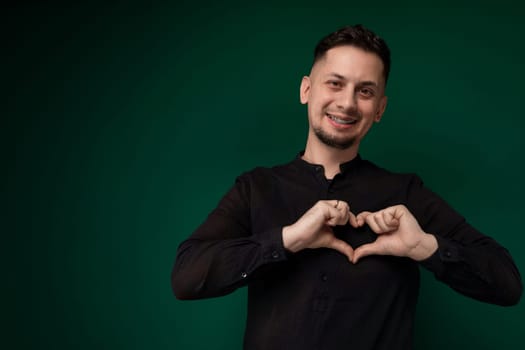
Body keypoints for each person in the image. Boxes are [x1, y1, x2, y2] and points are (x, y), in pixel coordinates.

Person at [171, 24, 522, 349]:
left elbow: (507, 284)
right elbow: (186, 278)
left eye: (365, 91)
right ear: (306, 89)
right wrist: (290, 238)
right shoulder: (256, 188)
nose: (347, 103)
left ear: (380, 109)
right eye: (335, 83)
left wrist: (423, 246)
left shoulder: (406, 195)